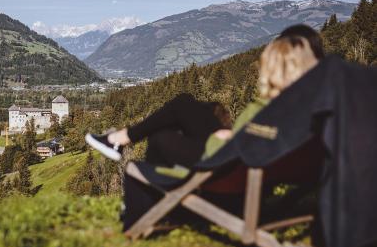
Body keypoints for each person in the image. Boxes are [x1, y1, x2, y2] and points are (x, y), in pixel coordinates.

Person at [86, 24, 324, 168]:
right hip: (241, 153)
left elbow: (265, 136)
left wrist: (232, 137)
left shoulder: (281, 104)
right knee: (198, 107)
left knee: (176, 113)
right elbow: (273, 137)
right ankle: (120, 140)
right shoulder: (312, 103)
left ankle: (121, 140)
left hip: (229, 158)